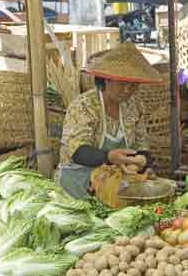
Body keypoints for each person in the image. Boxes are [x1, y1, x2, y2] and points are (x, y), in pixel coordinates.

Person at [56, 43, 164, 199]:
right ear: (106, 80)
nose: (127, 90)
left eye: (133, 85)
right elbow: (77, 151)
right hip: (76, 186)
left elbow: (141, 145)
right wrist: (110, 156)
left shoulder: (134, 106)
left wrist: (143, 162)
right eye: (122, 83)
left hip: (111, 187)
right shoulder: (84, 106)